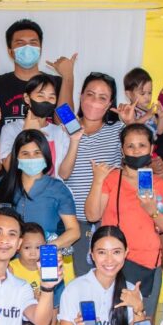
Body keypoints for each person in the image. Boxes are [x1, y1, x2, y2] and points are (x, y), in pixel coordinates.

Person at [85, 124, 163, 311]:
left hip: (147, 264)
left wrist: (153, 211)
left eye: (142, 145)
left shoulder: (160, 184)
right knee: (112, 322)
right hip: (112, 263)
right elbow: (92, 215)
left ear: (151, 149)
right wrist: (97, 181)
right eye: (130, 146)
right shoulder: (110, 178)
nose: (136, 151)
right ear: (122, 149)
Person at [60, 72, 124, 274]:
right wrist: (74, 140)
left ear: (110, 103)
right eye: (90, 94)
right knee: (77, 280)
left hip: (106, 221)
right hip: (72, 223)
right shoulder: (64, 130)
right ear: (81, 96)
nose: (95, 101)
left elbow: (136, 156)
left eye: (102, 97)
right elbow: (63, 174)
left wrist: (131, 123)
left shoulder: (119, 130)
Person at [0, 129, 80, 252]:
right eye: (25, 153)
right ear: (17, 158)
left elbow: (74, 231)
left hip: (43, 261)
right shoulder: (0, 185)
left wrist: (46, 249)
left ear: (46, 155)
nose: (32, 158)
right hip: (5, 258)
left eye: (37, 153)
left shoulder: (58, 189)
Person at [0, 19, 75, 125]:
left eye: (33, 43)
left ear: (40, 49)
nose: (27, 48)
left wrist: (68, 76)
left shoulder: (57, 83)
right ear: (10, 51)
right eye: (20, 43)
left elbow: (67, 124)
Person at [0, 74, 75, 177]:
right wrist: (26, 132)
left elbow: (64, 175)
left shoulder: (60, 131)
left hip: (52, 191)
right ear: (27, 98)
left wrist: (75, 140)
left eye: (51, 97)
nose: (46, 100)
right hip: (22, 192)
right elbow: (9, 167)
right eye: (40, 96)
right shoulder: (10, 129)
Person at [9, 222, 75, 307]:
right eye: (27, 247)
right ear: (18, 246)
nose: (33, 253)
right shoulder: (10, 269)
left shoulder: (53, 267)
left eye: (38, 248)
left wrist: (45, 298)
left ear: (45, 245)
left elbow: (66, 297)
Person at [121, 67, 156, 132]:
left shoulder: (149, 111)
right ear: (129, 94)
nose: (147, 97)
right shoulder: (131, 111)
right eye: (142, 93)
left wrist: (161, 117)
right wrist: (147, 116)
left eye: (150, 93)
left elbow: (160, 131)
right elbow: (132, 127)